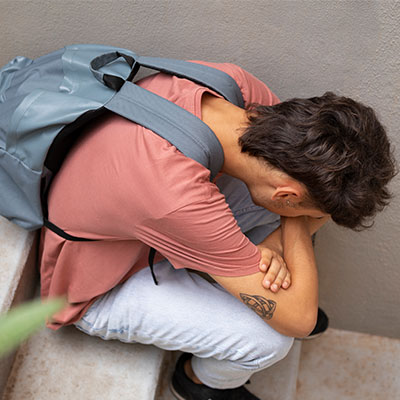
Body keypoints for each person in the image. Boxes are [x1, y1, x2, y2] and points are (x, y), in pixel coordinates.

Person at [39, 60, 396, 400]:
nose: (308, 217)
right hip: (98, 286)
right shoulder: (175, 195)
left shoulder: (235, 88)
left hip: (138, 208)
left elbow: (302, 206)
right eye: (301, 207)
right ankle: (199, 383)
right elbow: (300, 320)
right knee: (268, 339)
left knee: (275, 224)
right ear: (287, 194)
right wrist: (295, 222)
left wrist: (289, 226)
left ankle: (247, 275)